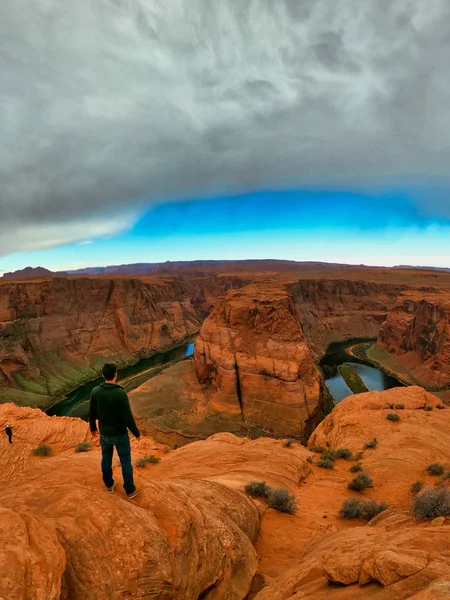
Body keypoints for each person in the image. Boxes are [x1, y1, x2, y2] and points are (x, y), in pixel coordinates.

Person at [89, 363, 143, 498]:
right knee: (125, 461)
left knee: (106, 458)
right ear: (116, 375)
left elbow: (92, 412)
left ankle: (109, 484)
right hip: (120, 434)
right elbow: (127, 417)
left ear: (103, 376)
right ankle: (130, 490)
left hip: (105, 434)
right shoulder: (120, 393)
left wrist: (93, 428)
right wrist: (136, 433)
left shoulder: (95, 391)